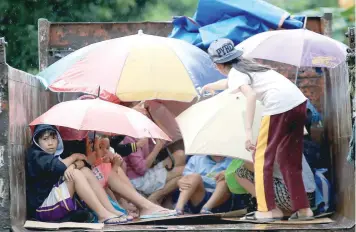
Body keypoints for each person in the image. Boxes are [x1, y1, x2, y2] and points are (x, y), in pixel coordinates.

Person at [201, 38, 313, 221]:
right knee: (288, 160)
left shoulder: (237, 72)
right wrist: (210, 86)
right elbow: (232, 83)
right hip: (298, 103)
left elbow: (250, 95)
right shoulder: (249, 67)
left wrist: (247, 132)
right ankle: (303, 209)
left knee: (260, 160)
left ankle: (267, 210)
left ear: (218, 65)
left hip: (278, 107)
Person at [26, 124, 127, 224]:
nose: (51, 143)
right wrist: (75, 157)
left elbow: (85, 164)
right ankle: (102, 214)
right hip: (42, 209)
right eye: (45, 139)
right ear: (37, 141)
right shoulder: (37, 155)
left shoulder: (55, 155)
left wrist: (72, 166)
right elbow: (59, 166)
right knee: (75, 174)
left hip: (53, 202)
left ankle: (109, 209)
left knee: (84, 171)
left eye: (54, 138)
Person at [86, 135, 177, 219]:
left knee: (118, 170)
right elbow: (141, 169)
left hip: (128, 185)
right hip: (137, 180)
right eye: (101, 148)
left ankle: (143, 205)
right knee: (113, 171)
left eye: (108, 148)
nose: (106, 151)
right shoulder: (129, 139)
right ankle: (145, 205)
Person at [234, 155, 316, 220]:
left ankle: (272, 209)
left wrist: (245, 159)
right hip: (308, 198)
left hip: (288, 196)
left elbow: (260, 169)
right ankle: (293, 211)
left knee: (241, 172)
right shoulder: (288, 136)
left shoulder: (265, 140)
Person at [174, 155, 244, 215]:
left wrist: (228, 173)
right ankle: (178, 208)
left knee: (224, 179)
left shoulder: (235, 161)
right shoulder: (196, 159)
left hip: (222, 197)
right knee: (194, 177)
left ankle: (206, 208)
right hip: (198, 194)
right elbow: (186, 178)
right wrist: (181, 181)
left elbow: (242, 178)